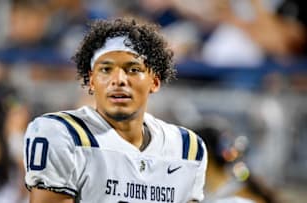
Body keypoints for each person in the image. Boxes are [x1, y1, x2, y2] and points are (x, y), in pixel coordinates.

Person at [23, 18, 207, 203]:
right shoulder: (62, 134)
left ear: (155, 81)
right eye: (106, 69)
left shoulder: (186, 148)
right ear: (91, 80)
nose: (118, 80)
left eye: (133, 69)